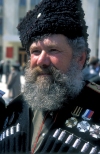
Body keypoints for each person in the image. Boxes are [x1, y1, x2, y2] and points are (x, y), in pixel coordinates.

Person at [0, 0, 100, 153]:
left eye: (53, 50)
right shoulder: (14, 110)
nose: (41, 60)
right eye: (35, 51)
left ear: (79, 58)